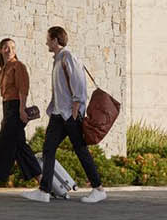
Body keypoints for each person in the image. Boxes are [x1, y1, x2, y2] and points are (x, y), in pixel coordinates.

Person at [21, 26, 106, 204]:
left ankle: (98, 189)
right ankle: (44, 191)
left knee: (80, 150)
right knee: (48, 149)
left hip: (70, 115)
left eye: (48, 39)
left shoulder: (68, 57)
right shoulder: (58, 59)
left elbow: (79, 83)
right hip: (58, 114)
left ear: (55, 40)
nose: (46, 42)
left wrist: (76, 107)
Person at [0, 38, 41, 199]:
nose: (9, 50)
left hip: (16, 108)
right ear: (0, 50)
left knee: (1, 147)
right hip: (8, 110)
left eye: (12, 47)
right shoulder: (3, 69)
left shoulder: (18, 66)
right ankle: (45, 185)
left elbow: (23, 88)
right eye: (6, 47)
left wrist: (22, 109)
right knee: (20, 148)